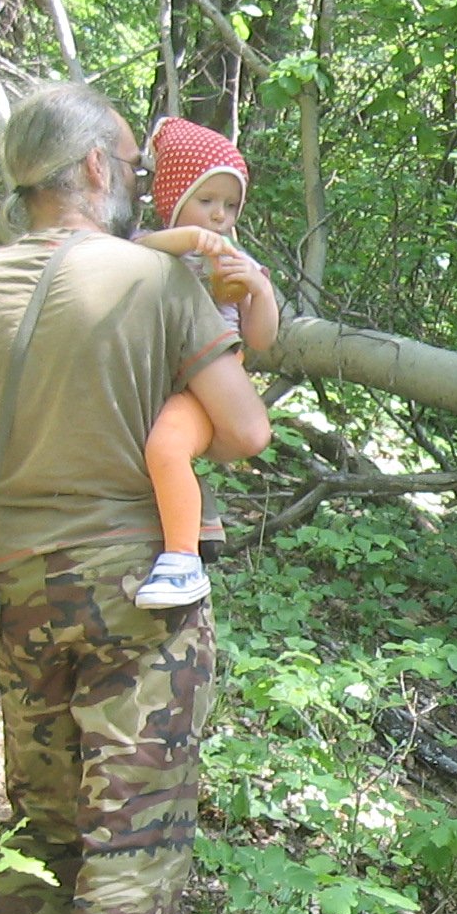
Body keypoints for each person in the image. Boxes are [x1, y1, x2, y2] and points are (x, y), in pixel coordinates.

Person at [0, 82, 272, 914]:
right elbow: (246, 431)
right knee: (137, 830)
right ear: (87, 169)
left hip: (19, 587)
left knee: (41, 816)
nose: (134, 178)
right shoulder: (153, 279)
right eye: (127, 161)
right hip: (135, 593)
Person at [131, 117, 280, 609]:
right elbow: (137, 249)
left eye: (230, 205)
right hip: (156, 377)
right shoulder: (156, 247)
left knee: (168, 446)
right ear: (174, 199)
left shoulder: (235, 260)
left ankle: (181, 561)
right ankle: (196, 515)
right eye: (207, 200)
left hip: (205, 382)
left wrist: (260, 289)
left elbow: (260, 339)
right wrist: (188, 239)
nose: (219, 215)